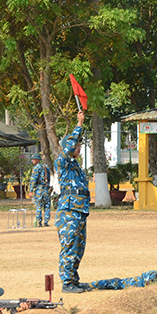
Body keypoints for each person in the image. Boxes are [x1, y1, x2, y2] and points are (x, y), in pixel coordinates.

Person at [56, 111, 90, 293]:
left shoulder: (75, 166)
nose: (78, 148)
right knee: (69, 246)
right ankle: (67, 283)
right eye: (76, 145)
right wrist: (79, 124)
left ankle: (74, 280)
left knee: (78, 247)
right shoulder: (62, 161)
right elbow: (68, 149)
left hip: (79, 211)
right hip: (68, 211)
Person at [29, 152, 51, 227]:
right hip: (46, 188)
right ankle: (46, 222)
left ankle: (39, 223)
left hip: (39, 189)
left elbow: (33, 180)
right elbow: (49, 177)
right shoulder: (46, 167)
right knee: (47, 206)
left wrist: (31, 190)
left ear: (37, 160)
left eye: (33, 159)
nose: (32, 161)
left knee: (39, 206)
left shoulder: (36, 168)